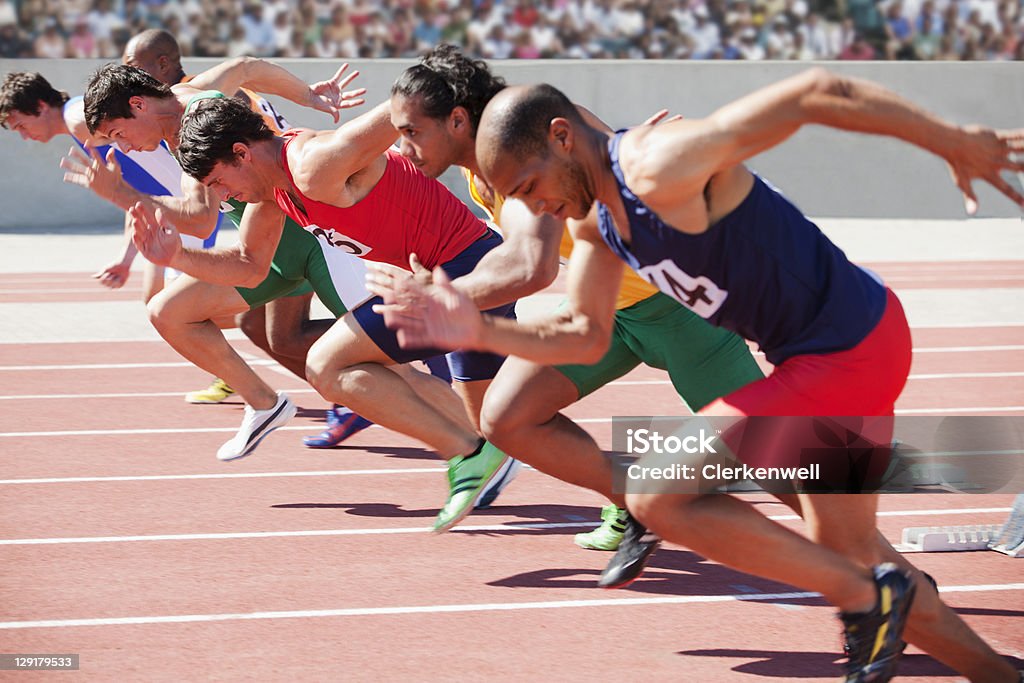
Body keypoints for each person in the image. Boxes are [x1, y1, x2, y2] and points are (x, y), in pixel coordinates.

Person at [373, 73, 1023, 681]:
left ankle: (866, 596)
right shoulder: (598, 225)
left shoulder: (660, 163)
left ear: (562, 136)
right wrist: (473, 329)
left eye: (528, 186)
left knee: (657, 492)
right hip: (826, 358)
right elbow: (582, 333)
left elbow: (816, 93)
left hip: (850, 346)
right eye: (518, 199)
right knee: (863, 561)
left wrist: (953, 139)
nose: (535, 207)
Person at [384, 45, 763, 584]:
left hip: (679, 309)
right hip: (605, 310)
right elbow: (518, 246)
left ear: (458, 119)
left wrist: (441, 297)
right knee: (506, 417)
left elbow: (529, 265)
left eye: (411, 132)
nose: (403, 148)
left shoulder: (525, 141)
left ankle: (883, 572)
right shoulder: (487, 165)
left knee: (793, 458)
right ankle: (640, 499)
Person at [137, 93, 517, 531]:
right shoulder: (277, 192)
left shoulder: (313, 164)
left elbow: (409, 102)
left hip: (471, 273)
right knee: (519, 428)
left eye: (218, 182)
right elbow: (249, 265)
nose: (221, 197)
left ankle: (472, 456)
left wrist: (490, 148)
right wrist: (176, 256)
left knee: (328, 364)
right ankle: (595, 490)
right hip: (448, 280)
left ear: (241, 152)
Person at [72, 59, 370, 461]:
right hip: (268, 252)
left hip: (312, 239)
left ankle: (470, 436)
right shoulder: (189, 93)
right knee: (170, 312)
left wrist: (123, 195)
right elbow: (244, 68)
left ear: (139, 105)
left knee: (395, 354)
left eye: (118, 134)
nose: (123, 147)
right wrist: (308, 95)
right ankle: (264, 403)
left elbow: (199, 220)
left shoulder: (192, 132)